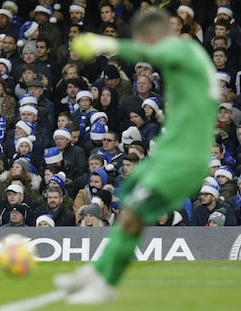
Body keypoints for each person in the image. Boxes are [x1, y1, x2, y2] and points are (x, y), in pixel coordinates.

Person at [54, 10, 221, 304]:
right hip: (171, 154)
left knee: (132, 214)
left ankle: (104, 280)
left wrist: (102, 43)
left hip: (183, 159)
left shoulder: (184, 50)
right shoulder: (187, 66)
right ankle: (98, 273)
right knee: (128, 204)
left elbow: (158, 50)